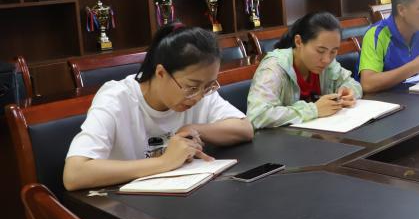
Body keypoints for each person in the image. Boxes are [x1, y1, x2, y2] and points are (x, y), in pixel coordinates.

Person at [63, 24, 254, 191]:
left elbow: (245, 128)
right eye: (192, 87)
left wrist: (193, 129)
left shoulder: (200, 91)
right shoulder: (116, 99)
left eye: (208, 86)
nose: (198, 97)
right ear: (161, 73)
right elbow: (74, 174)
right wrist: (164, 162)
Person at [247, 11, 362, 130]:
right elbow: (257, 116)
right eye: (320, 51)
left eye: (333, 51)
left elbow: (353, 84)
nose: (327, 59)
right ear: (298, 42)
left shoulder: (327, 63)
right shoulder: (274, 67)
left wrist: (349, 91)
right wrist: (314, 110)